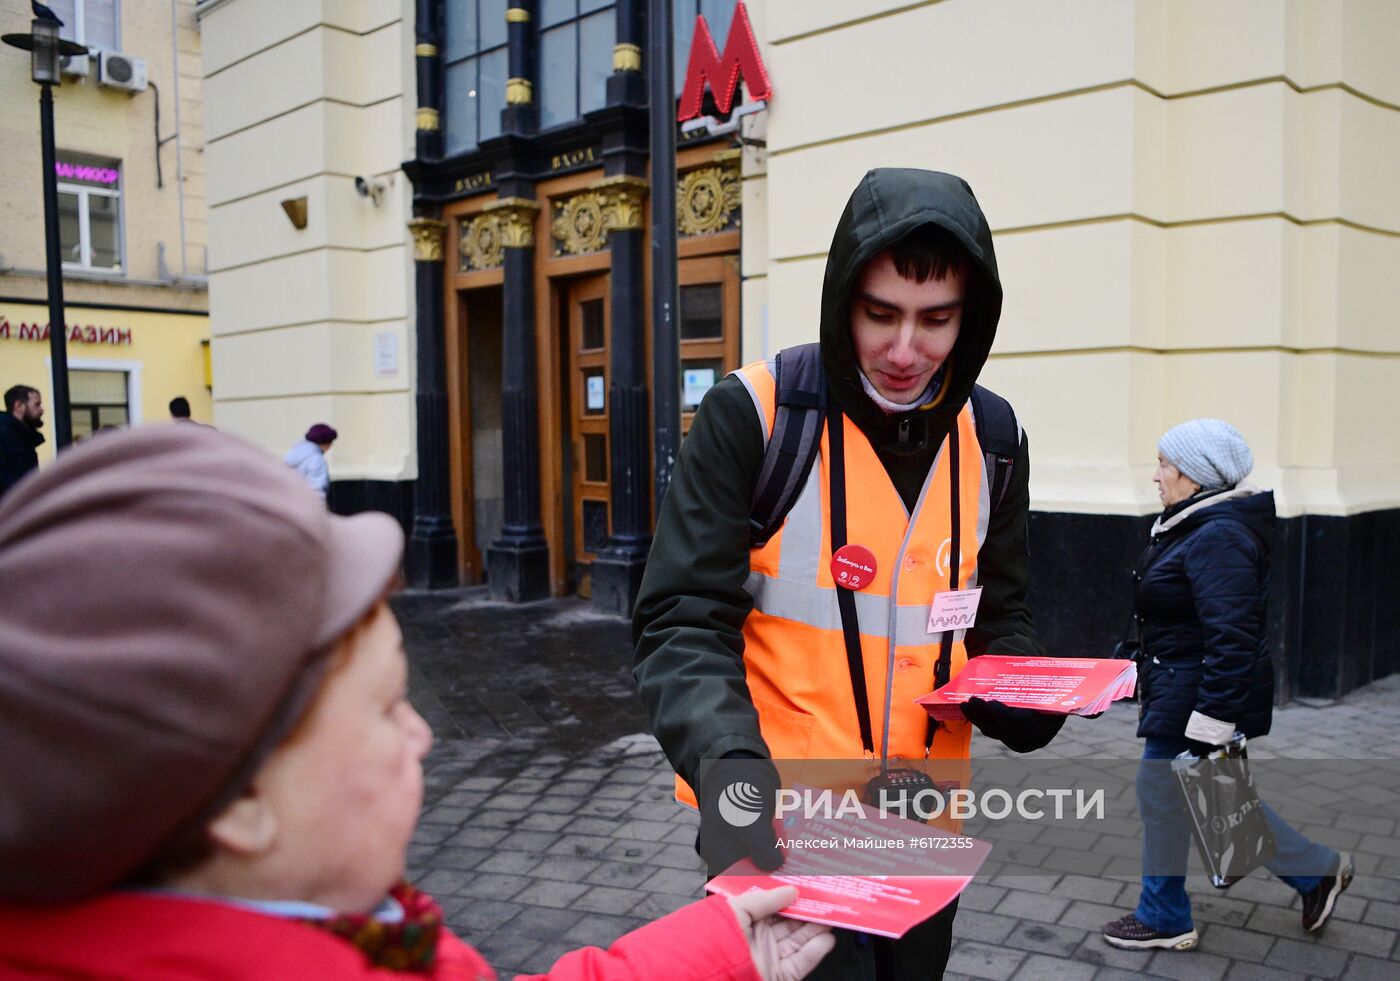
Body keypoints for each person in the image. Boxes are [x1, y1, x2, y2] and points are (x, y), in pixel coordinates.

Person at [0, 425, 835, 980]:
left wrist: (713, 953)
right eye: (387, 706)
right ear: (244, 802)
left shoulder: (333, 930)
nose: (425, 733)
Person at [634, 169, 1066, 980]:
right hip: (784, 821)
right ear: (843, 299)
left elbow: (1000, 615)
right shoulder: (757, 414)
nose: (906, 350)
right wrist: (730, 773)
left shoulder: (995, 439)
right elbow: (681, 621)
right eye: (881, 315)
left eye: (936, 320)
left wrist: (1022, 692)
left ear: (970, 319)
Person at [1102, 418, 1353, 952]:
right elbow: (1173, 616)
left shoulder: (1219, 535)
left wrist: (1212, 721)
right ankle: (1316, 872)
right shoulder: (1194, 524)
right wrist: (1125, 666)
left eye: (1164, 465)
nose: (1155, 475)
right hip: (1180, 684)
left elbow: (1234, 635)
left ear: (1196, 476)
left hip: (1198, 697)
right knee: (1210, 799)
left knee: (1172, 795)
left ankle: (1165, 915)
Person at [0, 384, 45, 499]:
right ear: (19, 406)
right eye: (37, 404)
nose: (41, 410)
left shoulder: (23, 436)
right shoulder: (5, 435)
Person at [286, 422, 338, 498]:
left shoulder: (292, 454)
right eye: (331, 442)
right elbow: (317, 490)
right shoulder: (317, 460)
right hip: (306, 505)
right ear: (325, 442)